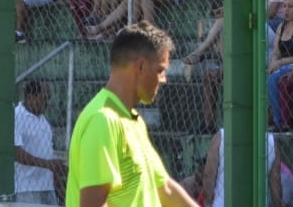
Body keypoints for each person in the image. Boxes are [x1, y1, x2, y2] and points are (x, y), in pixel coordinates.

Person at [67, 20, 199, 206]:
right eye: (160, 70)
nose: (164, 80)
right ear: (141, 67)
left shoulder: (133, 120)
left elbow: (164, 188)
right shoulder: (102, 120)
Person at [15, 80, 65, 205]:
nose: (47, 103)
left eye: (48, 98)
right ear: (30, 96)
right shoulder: (16, 116)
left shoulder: (44, 122)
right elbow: (17, 153)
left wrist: (60, 188)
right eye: (43, 98)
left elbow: (48, 155)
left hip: (48, 188)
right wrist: (48, 164)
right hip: (26, 188)